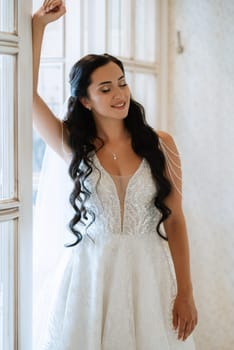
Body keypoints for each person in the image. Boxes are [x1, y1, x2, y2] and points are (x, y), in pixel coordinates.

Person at [32, 1, 198, 349]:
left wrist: (185, 292)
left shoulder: (160, 144)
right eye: (105, 89)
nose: (119, 94)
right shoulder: (72, 144)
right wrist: (38, 27)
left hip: (149, 278)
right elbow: (27, 98)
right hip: (90, 279)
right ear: (86, 101)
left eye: (121, 83)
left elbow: (177, 220)